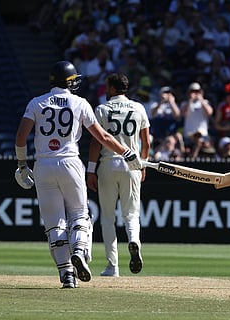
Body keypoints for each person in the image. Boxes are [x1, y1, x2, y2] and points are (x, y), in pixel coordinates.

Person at [14, 61, 142, 289]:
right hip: (71, 163)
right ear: (70, 81)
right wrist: (127, 152)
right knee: (80, 216)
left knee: (55, 224)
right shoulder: (80, 103)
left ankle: (67, 276)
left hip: (43, 164)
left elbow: (20, 138)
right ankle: (80, 252)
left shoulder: (36, 102)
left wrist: (23, 165)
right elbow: (103, 137)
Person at [87, 73, 151, 277]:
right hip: (132, 165)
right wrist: (143, 165)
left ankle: (112, 266)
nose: (106, 90)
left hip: (108, 164)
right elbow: (146, 141)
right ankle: (134, 241)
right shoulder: (139, 108)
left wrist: (90, 170)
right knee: (131, 214)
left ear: (113, 88)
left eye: (107, 87)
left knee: (107, 217)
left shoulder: (102, 109)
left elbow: (97, 142)